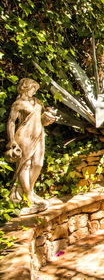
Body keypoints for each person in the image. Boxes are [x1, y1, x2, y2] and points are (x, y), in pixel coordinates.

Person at [6, 78, 57, 214]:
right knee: (25, 164)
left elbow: (41, 120)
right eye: (32, 88)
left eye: (35, 89)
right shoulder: (18, 104)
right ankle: (27, 195)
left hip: (39, 136)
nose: (34, 91)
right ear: (24, 88)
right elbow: (11, 122)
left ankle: (30, 190)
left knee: (38, 164)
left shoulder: (37, 102)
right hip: (24, 136)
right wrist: (11, 141)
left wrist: (47, 119)